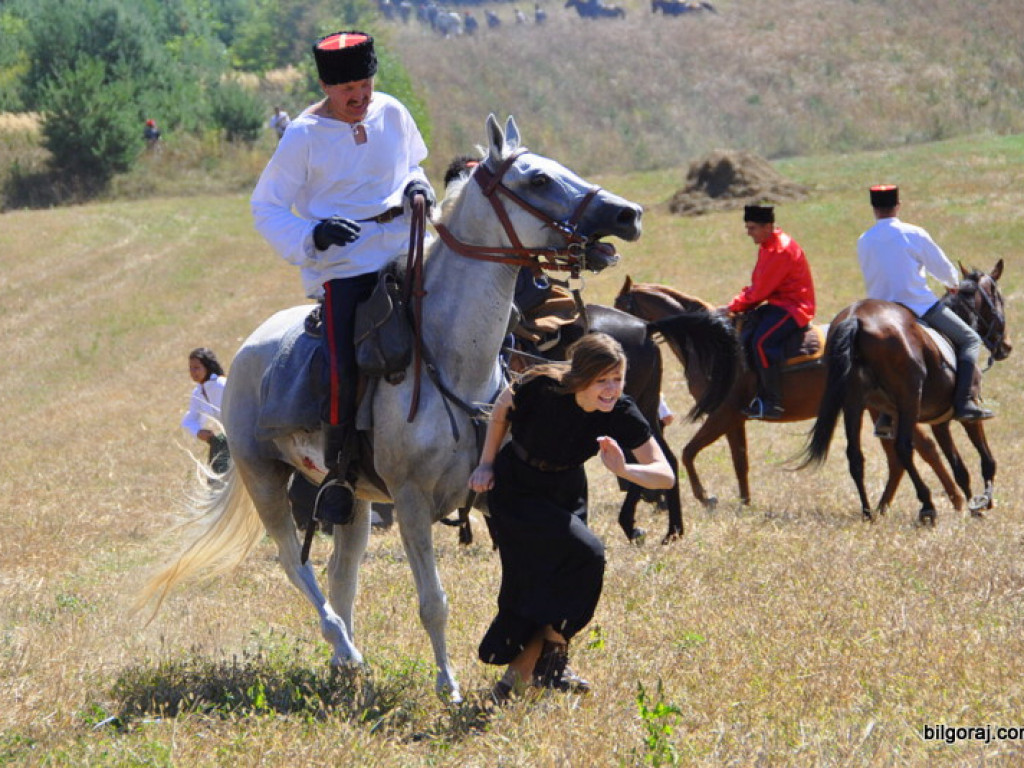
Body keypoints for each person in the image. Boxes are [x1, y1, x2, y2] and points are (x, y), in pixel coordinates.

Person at [251, 30, 435, 529]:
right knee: (342, 366)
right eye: (348, 88)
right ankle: (338, 473)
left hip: (405, 246)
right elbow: (265, 207)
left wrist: (417, 187)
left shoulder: (392, 111)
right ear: (325, 87)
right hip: (346, 265)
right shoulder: (303, 136)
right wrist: (313, 233)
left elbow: (413, 164)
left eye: (365, 84)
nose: (360, 96)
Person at [468, 333, 675, 702]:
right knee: (585, 556)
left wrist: (624, 469)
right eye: (602, 380)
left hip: (566, 492)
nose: (611, 389)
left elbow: (665, 475)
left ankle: (529, 675)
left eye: (618, 378)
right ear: (581, 378)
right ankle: (551, 661)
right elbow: (502, 407)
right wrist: (485, 463)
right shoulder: (542, 386)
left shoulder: (621, 411)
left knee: (558, 579)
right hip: (517, 489)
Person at [858, 184, 992, 429]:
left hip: (881, 311)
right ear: (898, 206)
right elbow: (941, 267)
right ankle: (964, 402)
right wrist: (952, 284)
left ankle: (886, 414)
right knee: (970, 339)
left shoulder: (864, 240)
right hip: (918, 306)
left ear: (873, 208)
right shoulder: (914, 233)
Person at [724, 204, 815, 420]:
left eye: (752, 228)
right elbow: (758, 286)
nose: (749, 233)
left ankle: (773, 402)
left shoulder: (779, 251)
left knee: (762, 343)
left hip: (794, 307)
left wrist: (731, 307)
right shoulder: (767, 245)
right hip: (778, 304)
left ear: (767, 227)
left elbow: (759, 293)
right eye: (747, 227)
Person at [181, 347, 230, 475]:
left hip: (238, 440)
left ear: (207, 367)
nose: (193, 372)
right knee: (217, 481)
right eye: (191, 368)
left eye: (196, 368)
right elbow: (189, 420)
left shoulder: (222, 385)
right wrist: (198, 432)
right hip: (219, 443)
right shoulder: (197, 392)